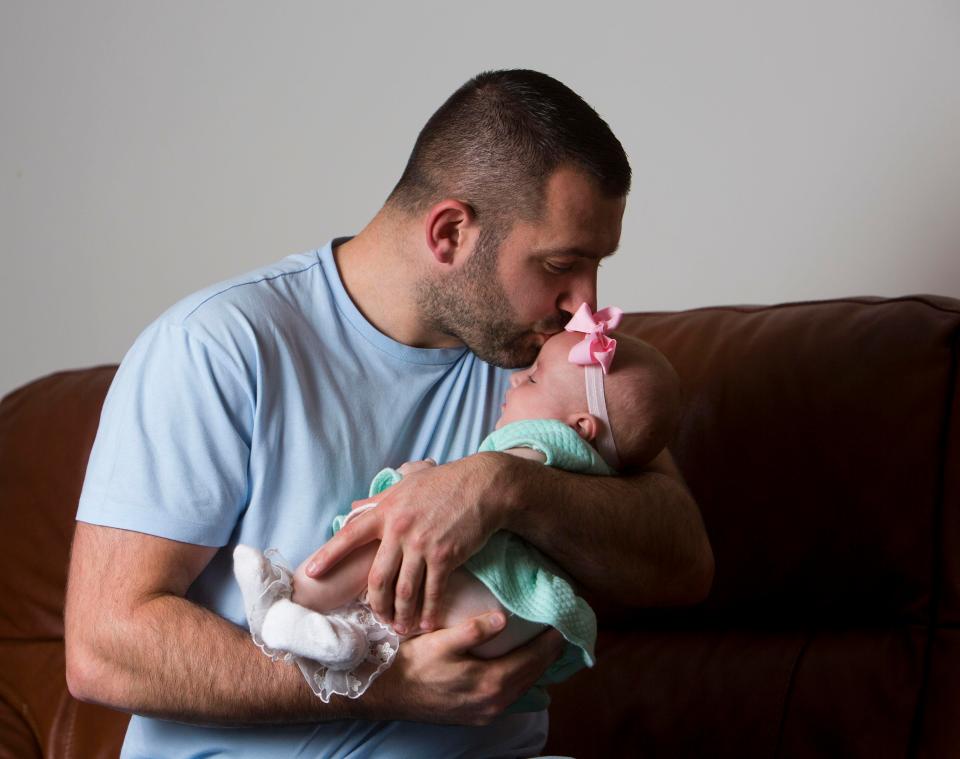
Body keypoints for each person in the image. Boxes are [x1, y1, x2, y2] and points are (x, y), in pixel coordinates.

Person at [65, 69, 714, 758]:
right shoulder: (218, 349)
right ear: (450, 233)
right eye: (562, 264)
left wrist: (502, 487)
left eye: (595, 268)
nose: (583, 303)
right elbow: (104, 645)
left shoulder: (549, 369)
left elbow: (681, 562)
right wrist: (382, 681)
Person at [233, 306, 682, 707]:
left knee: (389, 532)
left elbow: (470, 488)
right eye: (560, 264)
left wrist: (418, 480)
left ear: (580, 426)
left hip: (496, 594)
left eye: (533, 378)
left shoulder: (543, 443)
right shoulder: (596, 465)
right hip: (511, 622)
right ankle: (345, 644)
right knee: (394, 593)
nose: (515, 378)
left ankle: (293, 603)